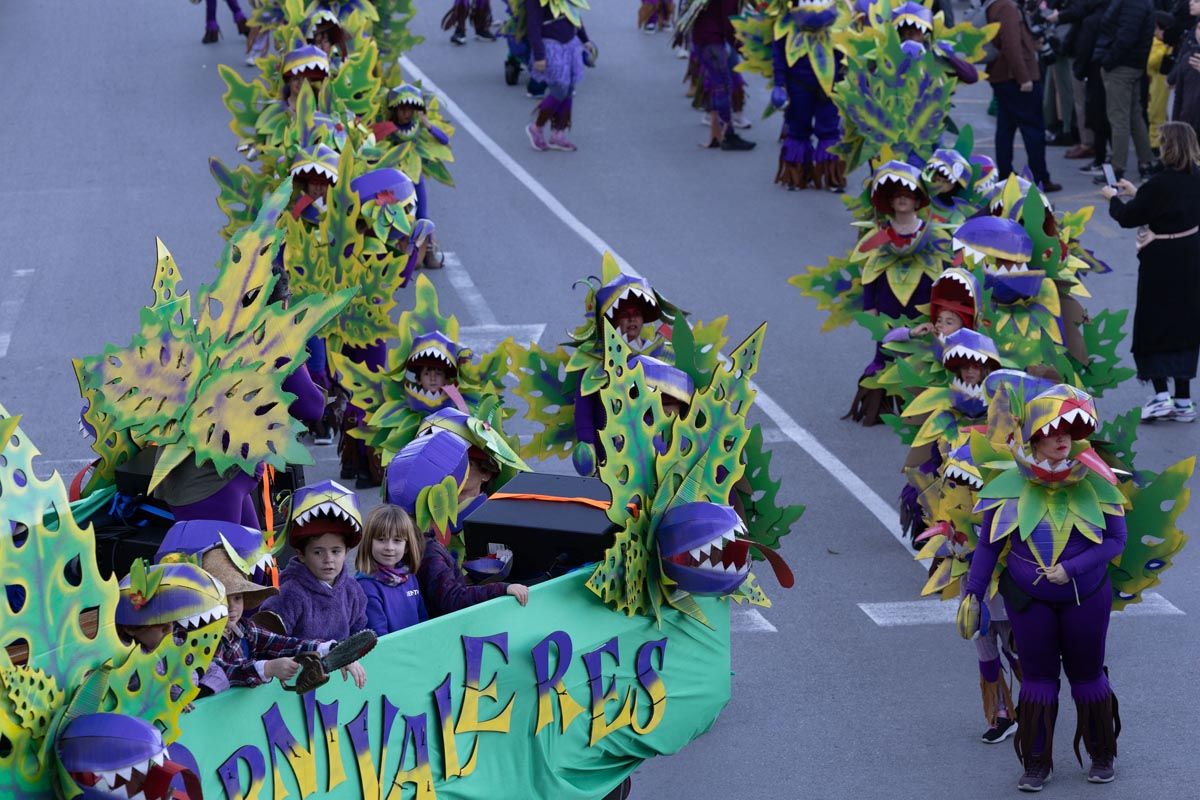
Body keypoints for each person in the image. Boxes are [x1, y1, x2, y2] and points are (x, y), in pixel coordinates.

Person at [961, 377, 1126, 791]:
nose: (1064, 440)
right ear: (1035, 436)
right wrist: (973, 594)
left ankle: (1101, 753)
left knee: (1087, 675)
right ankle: (1036, 761)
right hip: (1029, 599)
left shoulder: (1100, 480)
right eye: (1055, 432)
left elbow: (1116, 541)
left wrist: (1072, 569)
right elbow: (987, 546)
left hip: (1086, 597)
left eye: (1070, 432)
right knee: (1037, 678)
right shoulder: (1006, 488)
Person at [1102, 120, 1200, 422]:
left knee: (1153, 321)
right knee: (1184, 321)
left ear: (1168, 148)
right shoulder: (1194, 178)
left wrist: (1113, 198)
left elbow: (1130, 217)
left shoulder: (1159, 184)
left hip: (1161, 261)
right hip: (1191, 255)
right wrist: (1137, 191)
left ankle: (1160, 395)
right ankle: (1183, 399)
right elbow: (1161, 203)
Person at [198, 546, 367, 694]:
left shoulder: (245, 629)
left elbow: (282, 644)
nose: (232, 607)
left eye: (237, 598)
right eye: (224, 600)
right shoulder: (201, 640)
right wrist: (268, 668)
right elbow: (223, 673)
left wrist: (329, 649)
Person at [260, 481, 370, 641]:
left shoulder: (352, 590)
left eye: (336, 551)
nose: (328, 560)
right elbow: (268, 642)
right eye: (318, 552)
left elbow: (360, 635)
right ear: (301, 554)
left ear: (346, 552)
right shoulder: (288, 594)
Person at [988, 0, 1064, 190]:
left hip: (1005, 77)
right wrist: (1024, 78)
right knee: (1033, 129)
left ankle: (1006, 175)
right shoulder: (1007, 7)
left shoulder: (999, 5)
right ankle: (1039, 177)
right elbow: (1011, 45)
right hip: (1015, 78)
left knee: (1006, 128)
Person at [1093, 0, 1157, 182]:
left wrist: (1108, 60)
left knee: (1119, 117)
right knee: (1134, 116)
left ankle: (1117, 169)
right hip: (1131, 64)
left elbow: (1127, 36)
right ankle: (1145, 163)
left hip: (1122, 65)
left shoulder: (1133, 3)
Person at [525, 0, 594, 152]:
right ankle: (536, 127)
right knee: (559, 90)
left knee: (569, 90)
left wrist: (585, 39)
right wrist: (539, 55)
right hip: (551, 47)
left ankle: (559, 133)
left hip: (570, 45)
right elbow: (533, 27)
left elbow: (575, 16)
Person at [356, 504, 429, 636]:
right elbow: (378, 635)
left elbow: (423, 618)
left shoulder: (409, 576)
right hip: (390, 652)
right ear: (368, 542)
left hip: (417, 649)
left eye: (397, 540)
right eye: (381, 539)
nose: (389, 547)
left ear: (407, 546)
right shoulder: (366, 586)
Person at [693, 0, 756, 151]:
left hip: (703, 39)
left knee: (718, 86)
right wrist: (745, 51)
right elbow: (730, 25)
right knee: (723, 87)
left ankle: (716, 135)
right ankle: (728, 135)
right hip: (712, 42)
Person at [1167, 0, 1200, 133]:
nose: (1190, 3)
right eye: (1199, 27)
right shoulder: (1190, 55)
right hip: (1188, 122)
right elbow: (1179, 97)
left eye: (1197, 1)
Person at [1148, 12, 1176, 150]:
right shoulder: (1162, 44)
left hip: (1161, 85)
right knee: (1155, 114)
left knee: (1158, 115)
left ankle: (1157, 145)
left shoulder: (1161, 45)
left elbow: (1151, 62)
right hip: (1156, 84)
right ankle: (1155, 143)